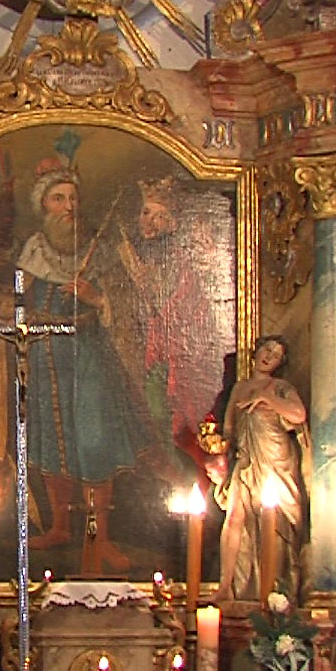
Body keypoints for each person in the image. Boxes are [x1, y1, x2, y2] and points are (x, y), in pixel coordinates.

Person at [15, 154, 151, 575]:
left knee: (93, 442)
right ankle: (60, 527)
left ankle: (99, 537)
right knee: (54, 442)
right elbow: (18, 296)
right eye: (59, 198)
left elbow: (130, 305)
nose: (68, 207)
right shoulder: (33, 249)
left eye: (73, 198)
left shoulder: (100, 249)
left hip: (89, 353)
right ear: (44, 205)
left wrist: (95, 298)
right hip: (46, 355)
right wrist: (15, 308)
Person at [115, 176, 221, 472]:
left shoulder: (182, 256)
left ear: (173, 223)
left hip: (183, 352)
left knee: (179, 415)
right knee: (153, 411)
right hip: (153, 351)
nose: (150, 222)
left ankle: (190, 472)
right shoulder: (132, 254)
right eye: (146, 212)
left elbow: (188, 302)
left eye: (160, 216)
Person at [210, 336, 309, 602]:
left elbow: (298, 415)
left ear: (280, 363)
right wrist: (220, 453)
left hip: (274, 459)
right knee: (234, 517)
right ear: (256, 352)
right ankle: (226, 585)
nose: (268, 357)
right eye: (267, 350)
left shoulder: (281, 387)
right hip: (244, 459)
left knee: (273, 520)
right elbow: (229, 427)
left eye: (276, 355)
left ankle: (275, 587)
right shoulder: (239, 387)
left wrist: (267, 397)